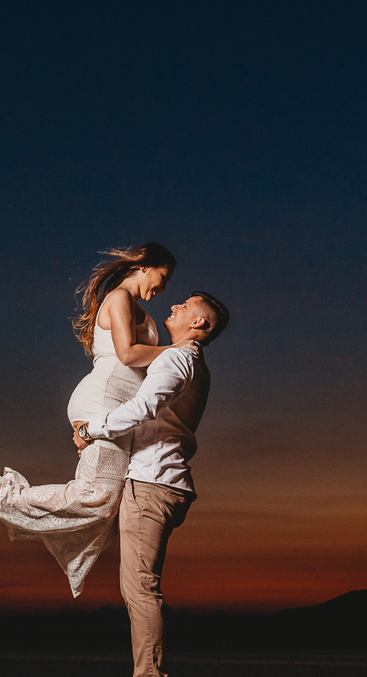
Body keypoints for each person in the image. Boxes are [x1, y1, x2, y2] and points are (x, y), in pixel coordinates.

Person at [0, 243, 197, 597]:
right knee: (97, 496)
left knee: (105, 505)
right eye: (163, 277)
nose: (164, 288)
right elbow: (128, 353)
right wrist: (179, 348)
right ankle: (4, 498)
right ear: (144, 267)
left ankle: (8, 501)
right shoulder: (120, 298)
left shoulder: (135, 307)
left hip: (115, 410)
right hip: (102, 402)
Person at [73, 290, 229, 677]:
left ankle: (148, 675)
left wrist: (91, 430)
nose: (174, 305)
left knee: (140, 589)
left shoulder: (178, 357)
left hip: (152, 485)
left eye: (185, 305)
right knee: (137, 586)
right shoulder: (194, 363)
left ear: (199, 324)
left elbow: (144, 408)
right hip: (163, 484)